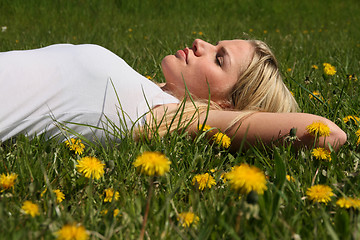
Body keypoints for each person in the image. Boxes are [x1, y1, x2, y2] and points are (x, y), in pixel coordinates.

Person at [0, 39, 347, 151]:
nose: (200, 43)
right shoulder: (149, 91)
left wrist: (221, 122)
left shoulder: (168, 116)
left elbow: (330, 132)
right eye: (215, 43)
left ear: (225, 105)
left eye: (219, 58)